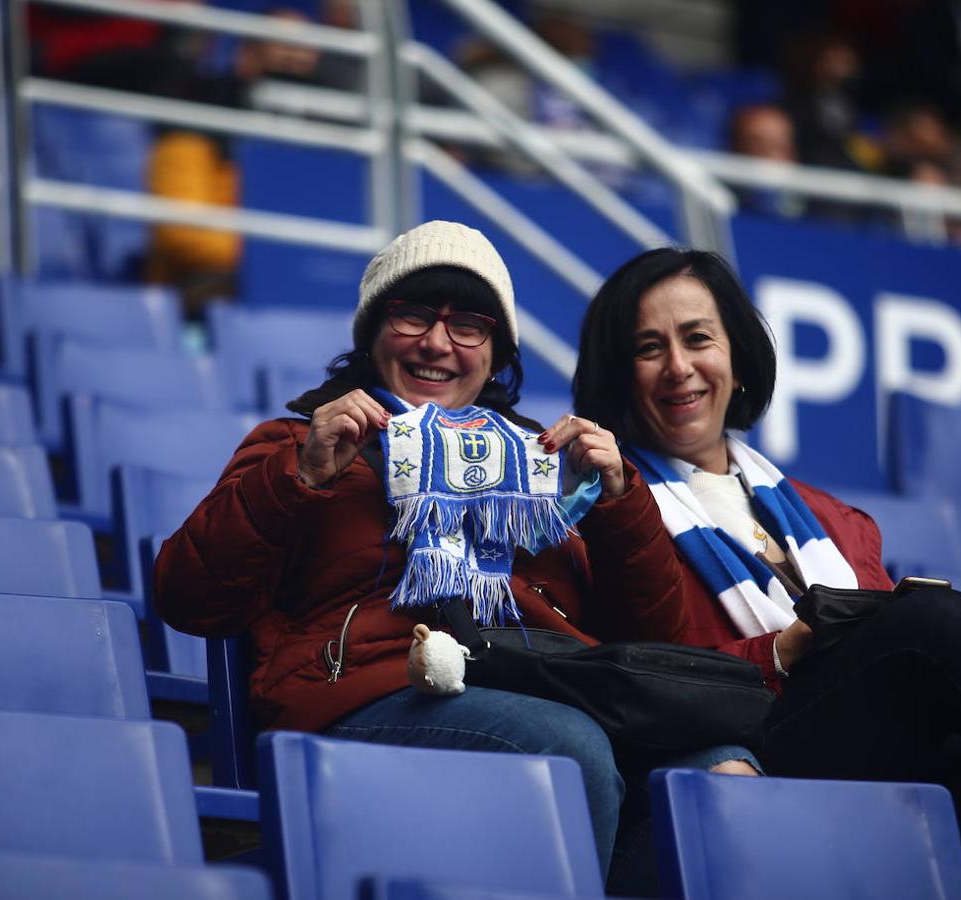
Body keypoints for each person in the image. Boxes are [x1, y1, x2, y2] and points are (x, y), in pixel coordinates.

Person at [153, 221, 758, 879]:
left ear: (495, 354)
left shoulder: (541, 469)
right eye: (412, 314)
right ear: (372, 334)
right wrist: (300, 476)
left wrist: (619, 505)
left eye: (469, 325)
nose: (438, 342)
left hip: (544, 684)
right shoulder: (300, 444)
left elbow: (654, 645)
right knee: (567, 747)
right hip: (367, 694)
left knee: (719, 771)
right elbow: (188, 597)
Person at [571, 246, 961, 896]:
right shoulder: (612, 510)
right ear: (621, 377)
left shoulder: (833, 518)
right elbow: (651, 674)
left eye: (697, 339)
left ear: (737, 360)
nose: (679, 367)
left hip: (873, 745)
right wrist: (784, 650)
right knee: (929, 623)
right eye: (650, 348)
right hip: (747, 744)